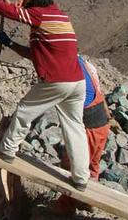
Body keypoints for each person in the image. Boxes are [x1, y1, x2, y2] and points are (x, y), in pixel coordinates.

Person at [0, 0, 90, 190]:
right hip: (77, 82)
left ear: (32, 2)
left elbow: (11, 13)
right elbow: (35, 54)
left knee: (25, 111)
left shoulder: (40, 15)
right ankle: (81, 178)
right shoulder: (61, 17)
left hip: (57, 81)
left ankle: (7, 150)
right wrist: (10, 44)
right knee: (75, 127)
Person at [53, 55, 112, 214]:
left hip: (90, 128)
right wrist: (108, 118)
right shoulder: (88, 66)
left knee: (72, 166)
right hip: (102, 125)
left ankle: (65, 207)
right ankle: (87, 200)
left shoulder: (70, 72)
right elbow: (100, 93)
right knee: (93, 166)